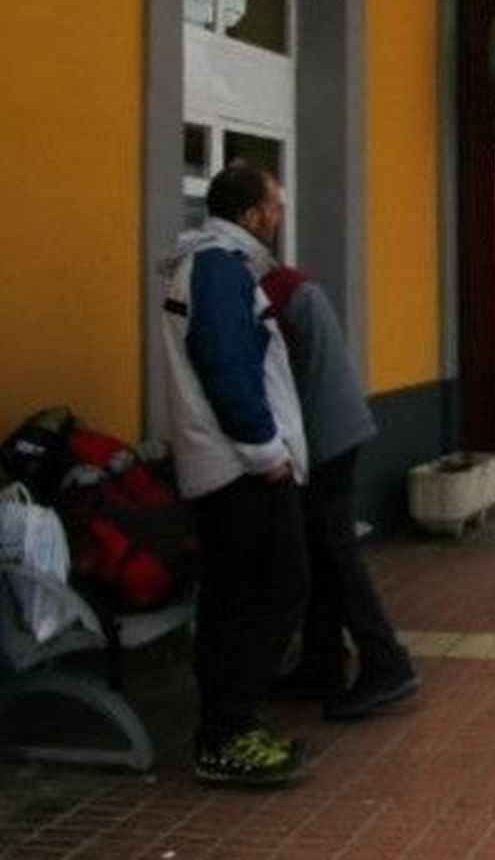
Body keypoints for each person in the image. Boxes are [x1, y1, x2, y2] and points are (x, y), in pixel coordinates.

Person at [158, 163, 309, 786]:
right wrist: (268, 455)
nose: (278, 214)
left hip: (229, 468)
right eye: (274, 204)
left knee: (235, 600)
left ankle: (230, 727)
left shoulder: (216, 266)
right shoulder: (218, 269)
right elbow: (227, 367)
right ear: (250, 213)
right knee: (271, 593)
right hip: (240, 472)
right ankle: (228, 733)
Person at [261, 264, 420, 721]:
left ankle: (385, 661)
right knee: (321, 551)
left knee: (334, 552)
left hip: (323, 439)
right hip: (337, 429)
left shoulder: (270, 295)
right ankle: (322, 662)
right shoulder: (290, 284)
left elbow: (272, 378)